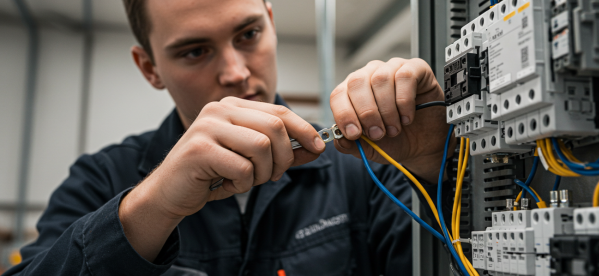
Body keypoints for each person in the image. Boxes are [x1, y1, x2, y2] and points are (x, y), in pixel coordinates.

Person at [3, 0, 450, 275]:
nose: (236, 73)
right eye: (195, 51)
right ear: (150, 68)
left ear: (271, 23)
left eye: (249, 33)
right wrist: (154, 208)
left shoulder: (362, 168)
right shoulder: (102, 180)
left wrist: (434, 166)